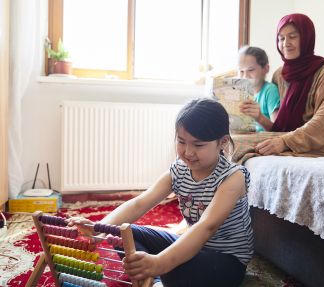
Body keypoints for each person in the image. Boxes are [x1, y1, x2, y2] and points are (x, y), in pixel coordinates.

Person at [69, 98, 254, 287]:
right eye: (182, 142)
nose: (188, 152)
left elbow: (207, 226)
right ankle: (156, 280)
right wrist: (99, 228)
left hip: (226, 261)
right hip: (189, 245)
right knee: (122, 233)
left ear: (222, 142)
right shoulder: (179, 170)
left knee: (173, 270)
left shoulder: (233, 177)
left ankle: (159, 277)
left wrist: (161, 263)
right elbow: (140, 203)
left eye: (198, 145)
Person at [232, 13, 324, 163]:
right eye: (281, 38)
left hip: (319, 144)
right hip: (284, 136)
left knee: (236, 146)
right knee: (229, 141)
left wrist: (284, 142)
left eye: (292, 36)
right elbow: (278, 125)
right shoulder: (280, 74)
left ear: (306, 38)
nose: (285, 43)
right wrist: (260, 119)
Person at [238, 45, 280, 131]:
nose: (245, 76)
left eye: (251, 70)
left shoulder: (270, 91)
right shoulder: (241, 92)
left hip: (263, 141)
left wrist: (259, 117)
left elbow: (278, 129)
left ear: (266, 69)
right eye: (241, 71)